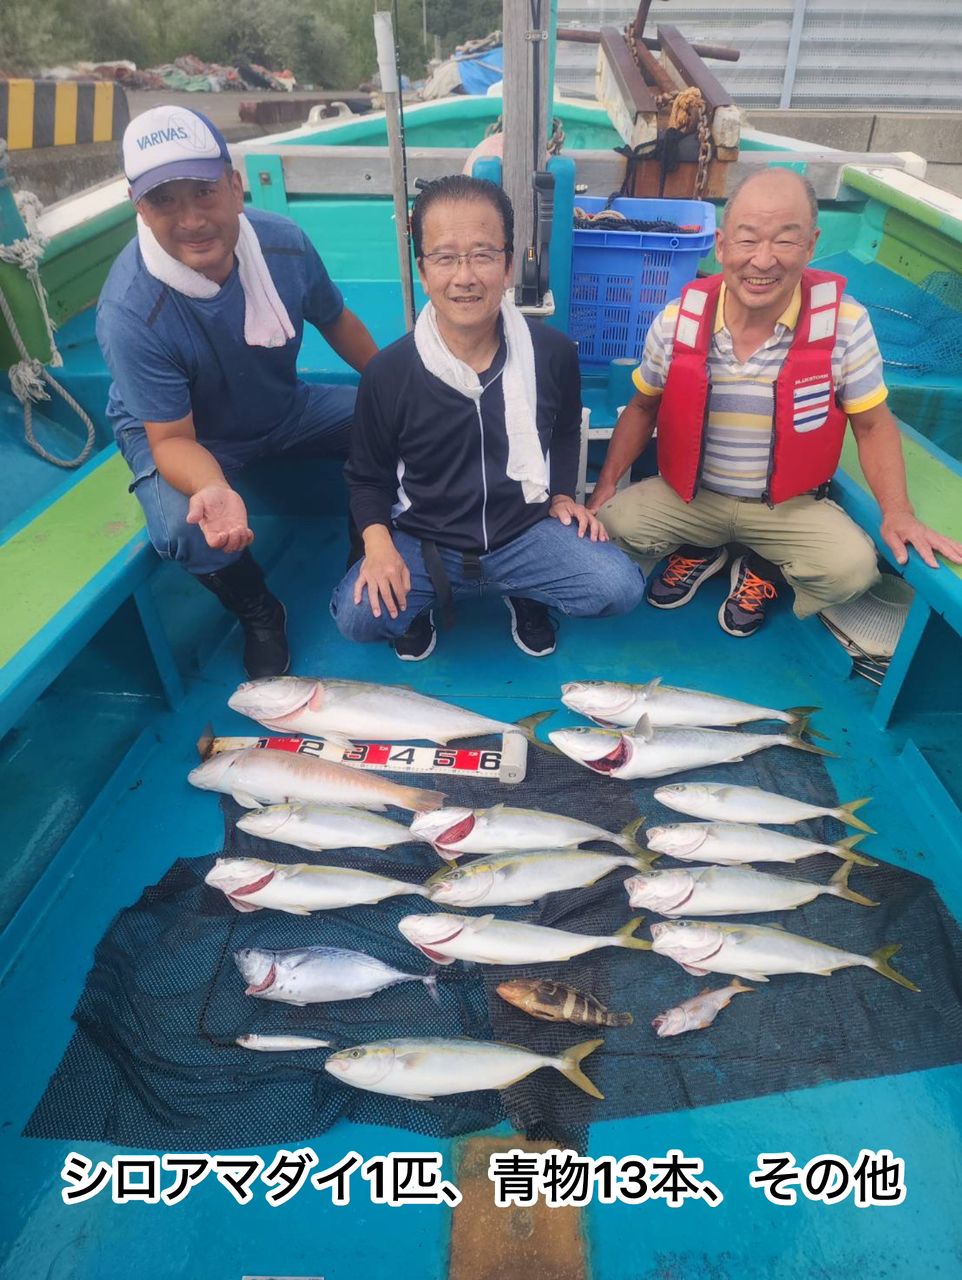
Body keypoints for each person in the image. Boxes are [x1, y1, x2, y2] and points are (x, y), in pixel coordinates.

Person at [589, 168, 962, 637]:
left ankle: (761, 565)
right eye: (747, 240)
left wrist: (898, 512)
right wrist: (605, 484)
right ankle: (704, 547)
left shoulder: (846, 324)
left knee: (853, 571)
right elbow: (642, 408)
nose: (763, 261)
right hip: (693, 497)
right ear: (722, 245)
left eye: (785, 241)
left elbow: (872, 425)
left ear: (811, 244)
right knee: (610, 524)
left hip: (788, 505)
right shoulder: (675, 320)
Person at [97, 105, 378, 677]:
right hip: (186, 436)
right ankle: (258, 610)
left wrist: (401, 390)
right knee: (183, 529)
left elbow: (338, 321)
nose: (191, 218)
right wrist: (212, 486)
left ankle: (363, 554)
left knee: (388, 422)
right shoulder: (130, 309)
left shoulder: (285, 245)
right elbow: (172, 440)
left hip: (281, 406)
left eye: (203, 191)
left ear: (234, 184)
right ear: (138, 207)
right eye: (163, 200)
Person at [330, 175, 644, 660]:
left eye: (482, 254)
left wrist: (561, 492)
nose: (465, 276)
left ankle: (524, 590)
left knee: (617, 586)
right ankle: (420, 604)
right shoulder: (388, 372)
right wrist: (378, 544)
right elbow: (366, 476)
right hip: (425, 539)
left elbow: (563, 429)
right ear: (423, 269)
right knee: (356, 618)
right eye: (445, 257)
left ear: (509, 264)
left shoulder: (553, 353)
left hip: (524, 531)